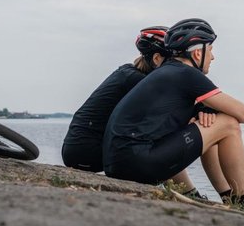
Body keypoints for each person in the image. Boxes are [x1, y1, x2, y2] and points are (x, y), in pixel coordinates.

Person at [103, 18, 244, 212]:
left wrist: (204, 115)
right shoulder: (186, 74)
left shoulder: (166, 72)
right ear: (197, 52)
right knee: (228, 123)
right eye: (210, 50)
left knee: (210, 124)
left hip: (119, 164)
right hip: (138, 164)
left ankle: (229, 198)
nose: (213, 57)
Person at [61, 26, 170, 173]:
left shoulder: (128, 73)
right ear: (157, 59)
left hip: (75, 151)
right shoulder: (138, 81)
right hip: (87, 154)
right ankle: (186, 190)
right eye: (172, 61)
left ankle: (183, 188)